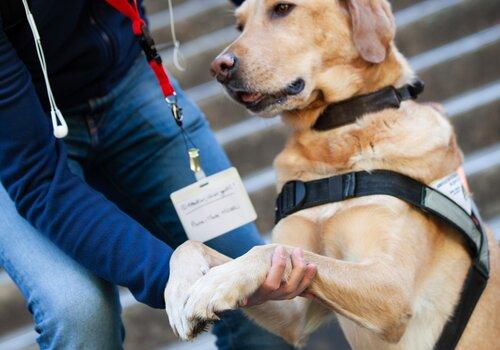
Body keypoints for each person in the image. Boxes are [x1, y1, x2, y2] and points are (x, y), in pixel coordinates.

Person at [0, 0, 316, 349]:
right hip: (18, 143)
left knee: (261, 292)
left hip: (126, 78)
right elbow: (39, 181)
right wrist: (171, 272)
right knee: (79, 314)